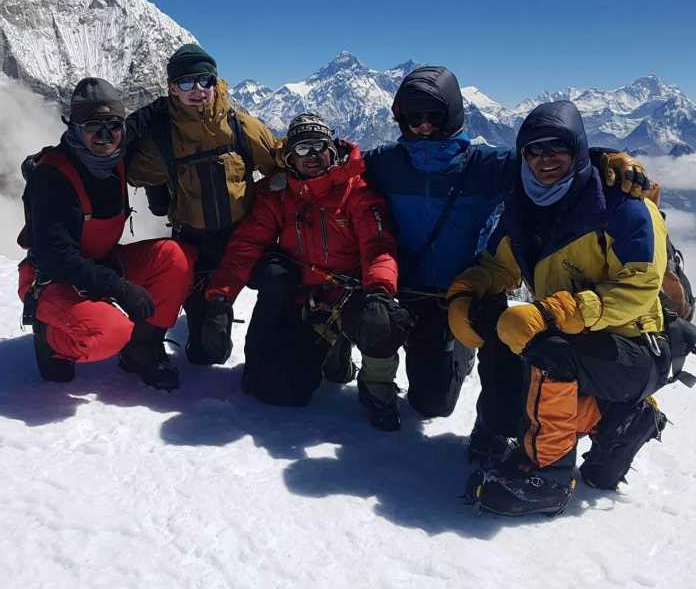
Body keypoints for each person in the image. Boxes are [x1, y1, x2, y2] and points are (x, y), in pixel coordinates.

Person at [364, 66, 649, 424]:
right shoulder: (384, 163)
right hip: (408, 290)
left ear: (451, 115)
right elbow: (333, 169)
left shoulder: (485, 165)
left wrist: (607, 158)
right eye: (412, 117)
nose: (423, 126)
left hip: (466, 290)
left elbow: (551, 161)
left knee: (456, 387)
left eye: (433, 116)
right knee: (419, 387)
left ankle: (472, 369)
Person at [446, 100, 670, 516]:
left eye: (557, 148)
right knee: (499, 325)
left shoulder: (625, 206)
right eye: (534, 150)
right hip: (579, 337)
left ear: (579, 151)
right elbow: (498, 266)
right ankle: (597, 421)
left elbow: (640, 286)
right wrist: (465, 295)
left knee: (547, 347)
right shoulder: (527, 209)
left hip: (634, 347)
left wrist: (553, 314)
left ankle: (545, 475)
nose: (545, 159)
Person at [204, 113, 410, 430]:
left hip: (354, 295)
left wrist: (380, 291)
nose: (312, 156)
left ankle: (377, 390)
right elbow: (245, 246)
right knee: (282, 391)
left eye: (318, 146)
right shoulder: (278, 196)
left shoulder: (357, 190)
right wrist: (221, 296)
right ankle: (333, 355)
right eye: (302, 149)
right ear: (289, 157)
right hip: (308, 301)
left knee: (381, 322)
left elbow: (377, 245)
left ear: (332, 149)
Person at [17, 78, 196, 389]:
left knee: (174, 258)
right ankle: (50, 338)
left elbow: (143, 118)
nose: (104, 136)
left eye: (113, 125)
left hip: (101, 263)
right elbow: (56, 257)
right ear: (73, 126)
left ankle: (142, 349)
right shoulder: (52, 178)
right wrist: (120, 288)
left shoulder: (116, 153)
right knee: (109, 333)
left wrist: (181, 92)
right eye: (92, 126)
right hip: (53, 279)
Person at [126, 44, 278, 366]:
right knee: (208, 353)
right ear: (171, 89)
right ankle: (210, 319)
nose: (197, 90)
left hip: (245, 241)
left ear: (215, 82)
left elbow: (283, 164)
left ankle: (271, 355)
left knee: (281, 281)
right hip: (198, 249)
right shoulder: (162, 140)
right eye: (186, 82)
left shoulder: (241, 127)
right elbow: (119, 166)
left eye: (205, 80)